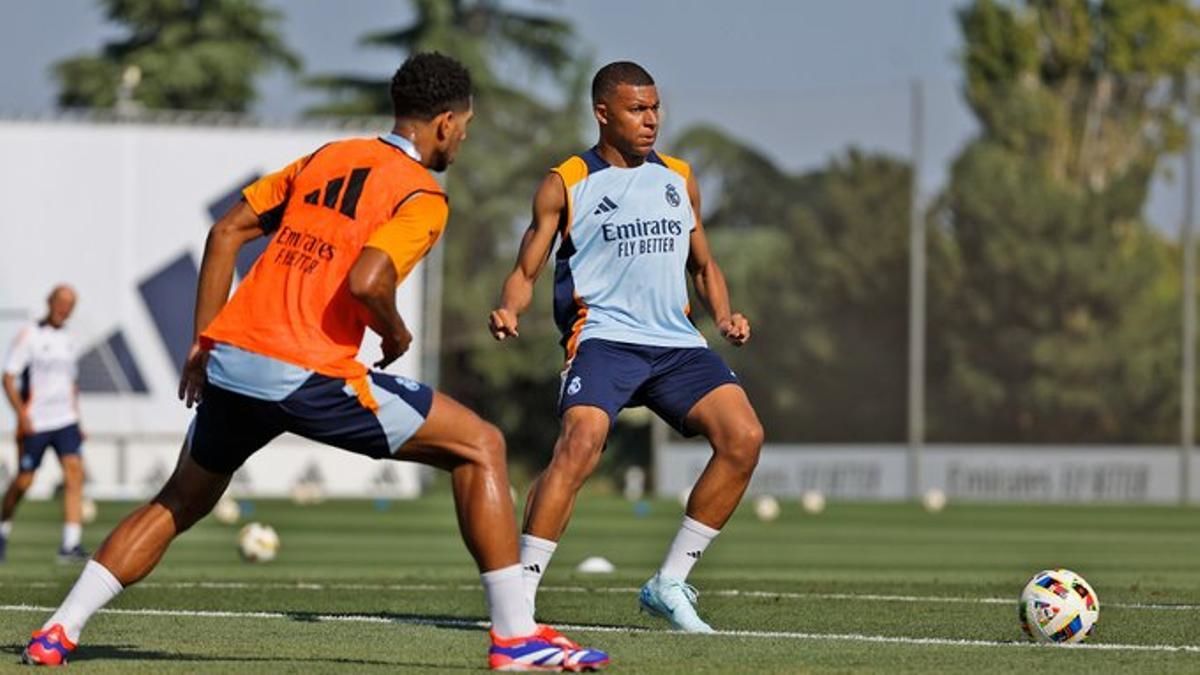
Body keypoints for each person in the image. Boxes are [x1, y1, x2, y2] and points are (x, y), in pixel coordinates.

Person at [23, 53, 608, 672]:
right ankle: (515, 637)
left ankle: (58, 629)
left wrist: (203, 342)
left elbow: (225, 233)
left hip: (235, 362)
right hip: (305, 370)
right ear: (444, 123)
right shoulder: (422, 194)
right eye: (464, 126)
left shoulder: (328, 157)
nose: (462, 138)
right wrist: (395, 332)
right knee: (481, 445)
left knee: (178, 501)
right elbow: (368, 280)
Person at [489, 61, 764, 633]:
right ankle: (520, 599)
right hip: (604, 339)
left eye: (655, 108)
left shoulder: (679, 177)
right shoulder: (566, 181)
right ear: (602, 113)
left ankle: (669, 583)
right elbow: (526, 267)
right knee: (580, 444)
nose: (651, 120)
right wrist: (510, 309)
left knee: (744, 438)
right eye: (637, 109)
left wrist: (724, 315)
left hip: (676, 344)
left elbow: (703, 265)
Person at [1, 285, 88, 564]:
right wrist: (21, 415)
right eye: (60, 302)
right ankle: (2, 527)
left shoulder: (71, 339)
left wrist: (78, 420)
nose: (64, 309)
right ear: (49, 302)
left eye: (70, 305)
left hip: (66, 421)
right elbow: (8, 378)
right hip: (36, 422)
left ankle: (70, 544)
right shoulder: (30, 335)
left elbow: (71, 384)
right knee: (24, 481)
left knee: (74, 474)